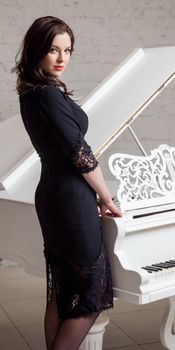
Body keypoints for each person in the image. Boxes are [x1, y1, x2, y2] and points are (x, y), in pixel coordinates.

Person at [12, 15, 122, 350]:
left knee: (62, 291)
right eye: (53, 50)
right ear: (36, 51)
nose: (62, 58)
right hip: (71, 199)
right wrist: (106, 196)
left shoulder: (32, 93)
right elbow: (80, 153)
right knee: (91, 293)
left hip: (53, 196)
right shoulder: (46, 95)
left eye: (68, 50)